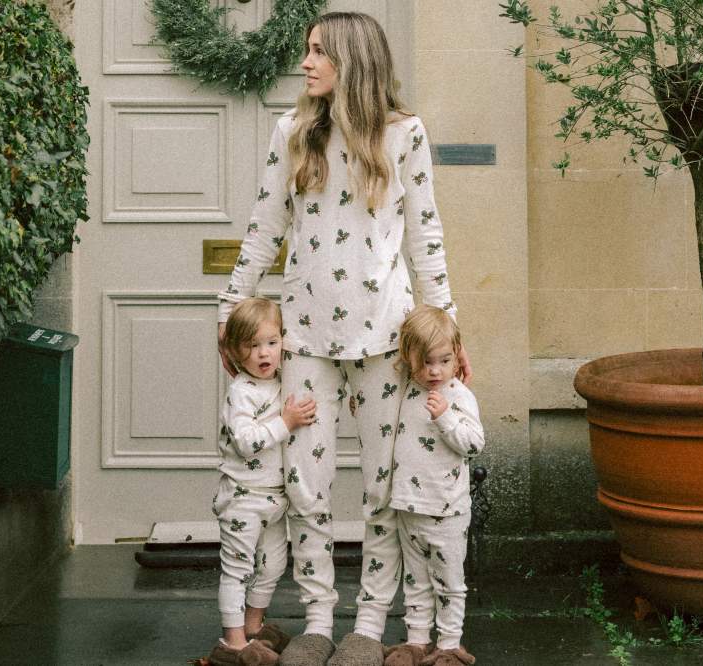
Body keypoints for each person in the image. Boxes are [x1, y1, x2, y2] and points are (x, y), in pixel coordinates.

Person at [216, 12, 472, 666]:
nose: (305, 63)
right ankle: (319, 619)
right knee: (305, 485)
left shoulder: (405, 135)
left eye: (317, 53)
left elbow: (426, 235)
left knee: (386, 487)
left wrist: (445, 324)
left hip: (391, 341)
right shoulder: (293, 131)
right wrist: (230, 307)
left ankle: (369, 624)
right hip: (304, 338)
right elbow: (263, 225)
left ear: (352, 61)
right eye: (307, 52)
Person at [208, 297, 318, 666]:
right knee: (238, 568)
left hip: (276, 498)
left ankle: (255, 626)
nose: (263, 353)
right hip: (243, 497)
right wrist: (285, 423)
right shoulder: (242, 391)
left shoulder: (284, 381)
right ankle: (234, 641)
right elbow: (245, 442)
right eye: (252, 346)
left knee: (272, 566)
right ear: (235, 353)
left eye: (271, 343)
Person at [380, 305, 484, 666]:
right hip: (409, 504)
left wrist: (445, 419)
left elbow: (474, 444)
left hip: (447, 509)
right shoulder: (407, 390)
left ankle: (450, 644)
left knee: (449, 581)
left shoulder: (458, 397)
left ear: (456, 356)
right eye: (425, 362)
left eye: (443, 360)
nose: (434, 371)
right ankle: (417, 641)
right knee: (416, 579)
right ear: (408, 359)